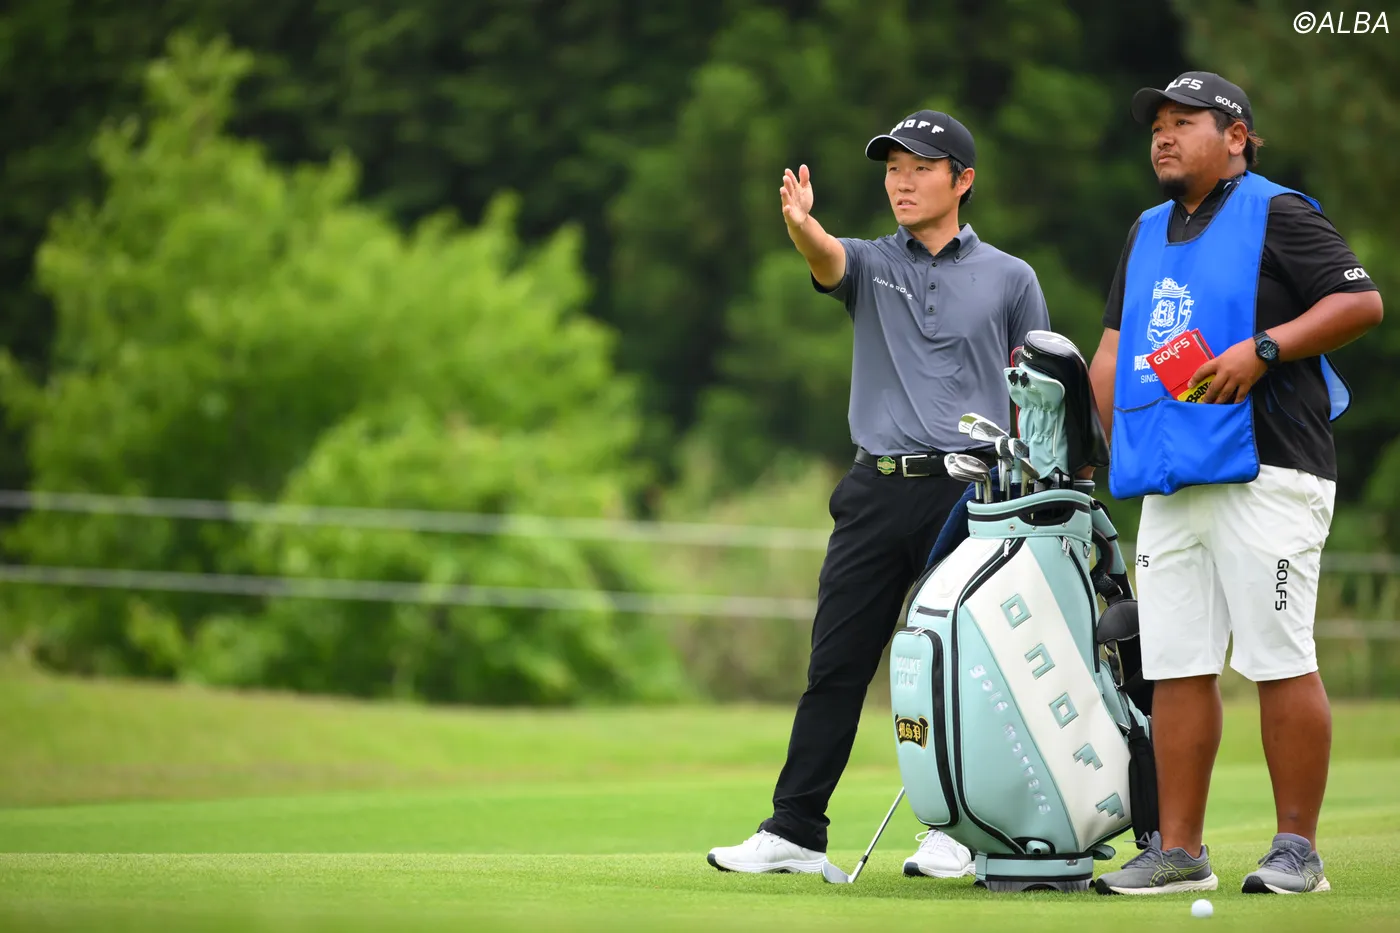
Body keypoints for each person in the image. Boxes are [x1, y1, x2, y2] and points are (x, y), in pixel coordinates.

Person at [706, 110, 1051, 878]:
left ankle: (959, 829)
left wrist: (1035, 490)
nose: (902, 180)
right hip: (875, 489)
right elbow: (828, 258)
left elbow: (1036, 394)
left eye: (921, 167)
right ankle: (796, 828)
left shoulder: (1011, 277)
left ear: (962, 180)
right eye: (894, 167)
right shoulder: (871, 262)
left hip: (970, 493)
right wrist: (803, 228)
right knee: (835, 663)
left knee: (962, 668)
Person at [1086, 72, 1383, 895]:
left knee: (1277, 656)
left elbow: (1361, 304)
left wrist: (1265, 348)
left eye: (1185, 121)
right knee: (1176, 664)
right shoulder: (1146, 229)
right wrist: (1084, 451)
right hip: (1171, 477)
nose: (1164, 135)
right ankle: (1180, 852)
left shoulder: (1279, 211)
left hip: (1270, 470)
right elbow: (1110, 351)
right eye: (1158, 124)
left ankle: (1298, 852)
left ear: (1237, 137)